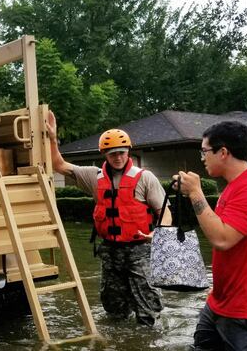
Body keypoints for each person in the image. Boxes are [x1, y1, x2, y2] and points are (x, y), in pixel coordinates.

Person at [45, 111, 165, 326]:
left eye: (121, 152)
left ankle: (150, 340)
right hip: (110, 251)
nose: (118, 157)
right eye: (112, 154)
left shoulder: (145, 178)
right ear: (104, 155)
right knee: (113, 307)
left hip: (141, 250)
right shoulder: (93, 176)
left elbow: (164, 211)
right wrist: (53, 139)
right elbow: (59, 165)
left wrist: (159, 233)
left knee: (148, 306)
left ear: (128, 151)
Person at [177, 121, 247, 350]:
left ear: (223, 152)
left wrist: (195, 192)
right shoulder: (233, 186)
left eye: (204, 151)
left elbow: (222, 239)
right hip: (219, 304)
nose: (202, 157)